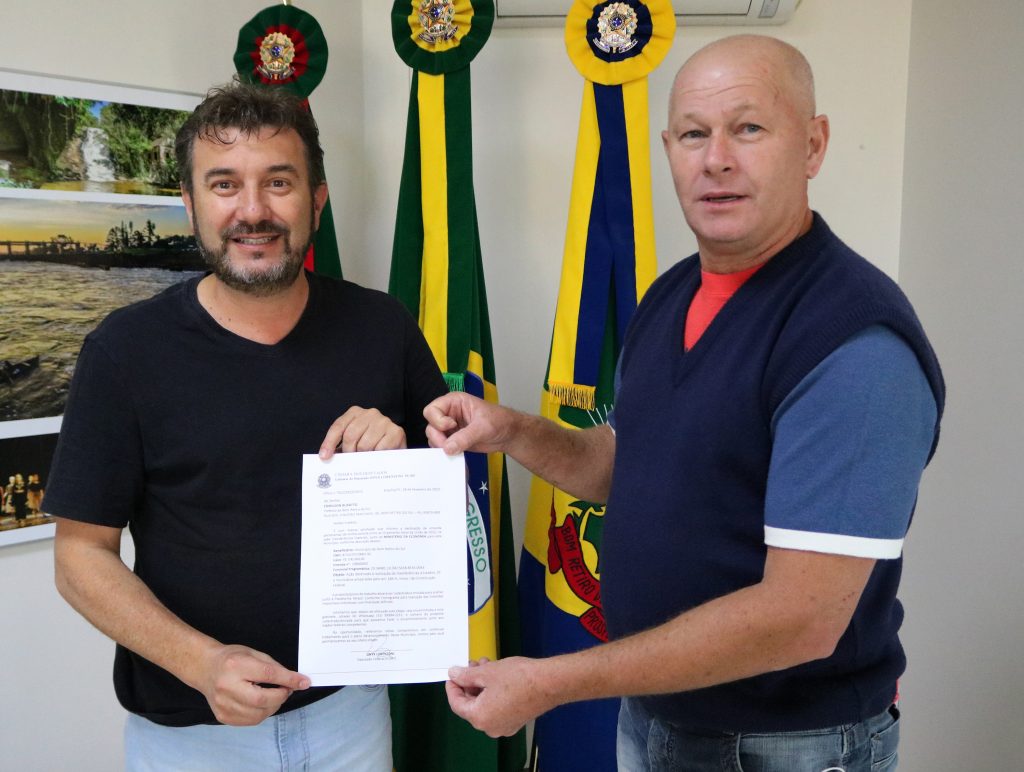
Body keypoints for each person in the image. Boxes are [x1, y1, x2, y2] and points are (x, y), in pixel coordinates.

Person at [424, 35, 944, 771]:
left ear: (813, 144)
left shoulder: (853, 344)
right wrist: (510, 431)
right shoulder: (671, 295)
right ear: (668, 150)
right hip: (655, 722)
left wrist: (550, 683)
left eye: (748, 127)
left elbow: (800, 619)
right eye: (694, 134)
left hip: (784, 747)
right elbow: (621, 464)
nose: (716, 159)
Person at [44, 81, 446, 771]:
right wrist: (200, 662)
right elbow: (80, 557)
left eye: (278, 182)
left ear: (317, 200)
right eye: (224, 184)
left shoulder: (383, 327)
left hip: (351, 715)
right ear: (190, 203)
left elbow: (455, 508)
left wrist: (406, 457)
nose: (253, 210)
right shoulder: (124, 351)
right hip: (191, 737)